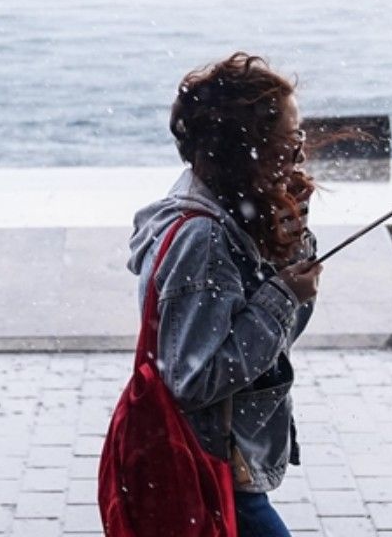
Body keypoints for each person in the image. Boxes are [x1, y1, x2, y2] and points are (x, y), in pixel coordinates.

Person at [125, 52, 322, 537]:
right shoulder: (204, 239)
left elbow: (278, 339)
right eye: (288, 143)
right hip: (209, 467)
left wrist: (289, 243)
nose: (299, 156)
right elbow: (194, 378)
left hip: (221, 465)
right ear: (245, 150)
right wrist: (282, 294)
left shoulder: (228, 212)